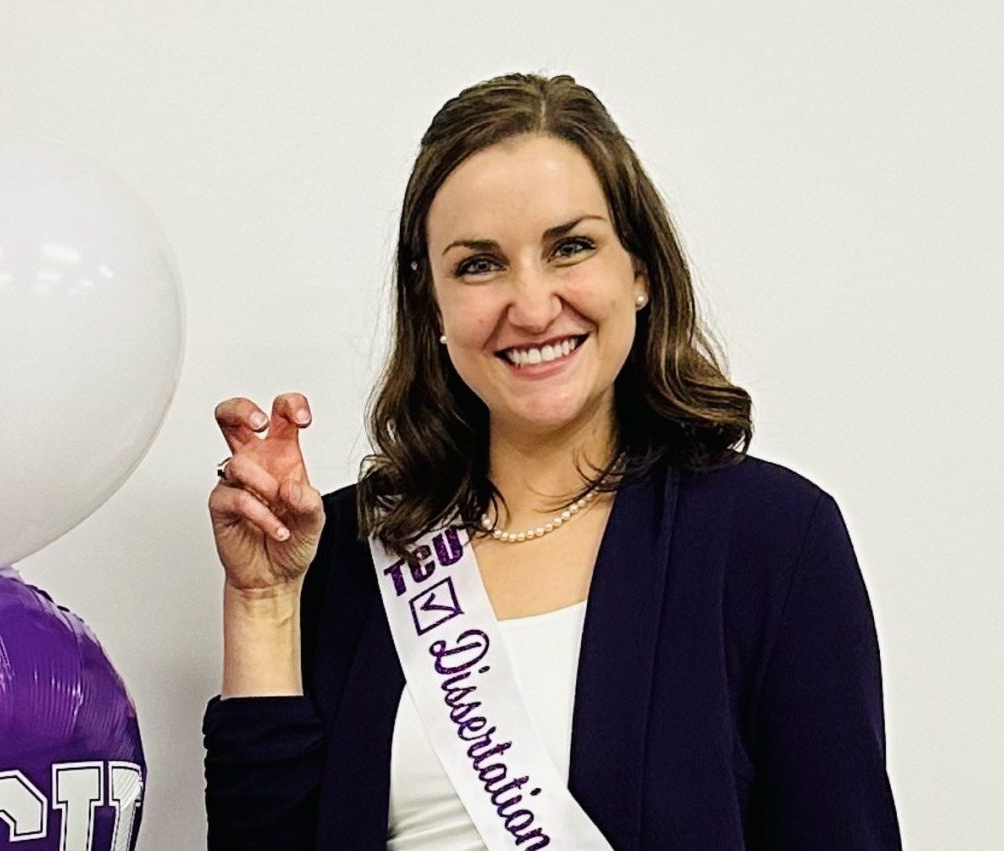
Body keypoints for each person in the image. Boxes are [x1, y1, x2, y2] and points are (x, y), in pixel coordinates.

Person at [204, 72, 901, 850]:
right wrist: (263, 602)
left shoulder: (772, 539)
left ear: (638, 270)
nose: (532, 307)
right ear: (430, 302)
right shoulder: (345, 549)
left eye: (570, 247)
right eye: (479, 264)